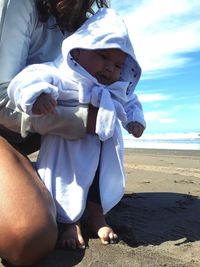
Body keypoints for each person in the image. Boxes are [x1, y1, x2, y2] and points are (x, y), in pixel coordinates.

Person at [7, 7, 146, 255]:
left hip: (102, 150)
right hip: (65, 145)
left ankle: (95, 216)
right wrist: (36, 96)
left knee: (97, 182)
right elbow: (27, 78)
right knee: (65, 180)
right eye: (103, 57)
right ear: (79, 51)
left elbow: (130, 100)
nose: (110, 69)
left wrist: (135, 120)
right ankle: (69, 223)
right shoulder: (63, 74)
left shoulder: (113, 86)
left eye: (117, 65)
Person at [0, 0, 110, 266]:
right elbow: (1, 98)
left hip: (33, 131)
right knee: (29, 237)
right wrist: (82, 121)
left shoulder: (83, 20)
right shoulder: (19, 3)